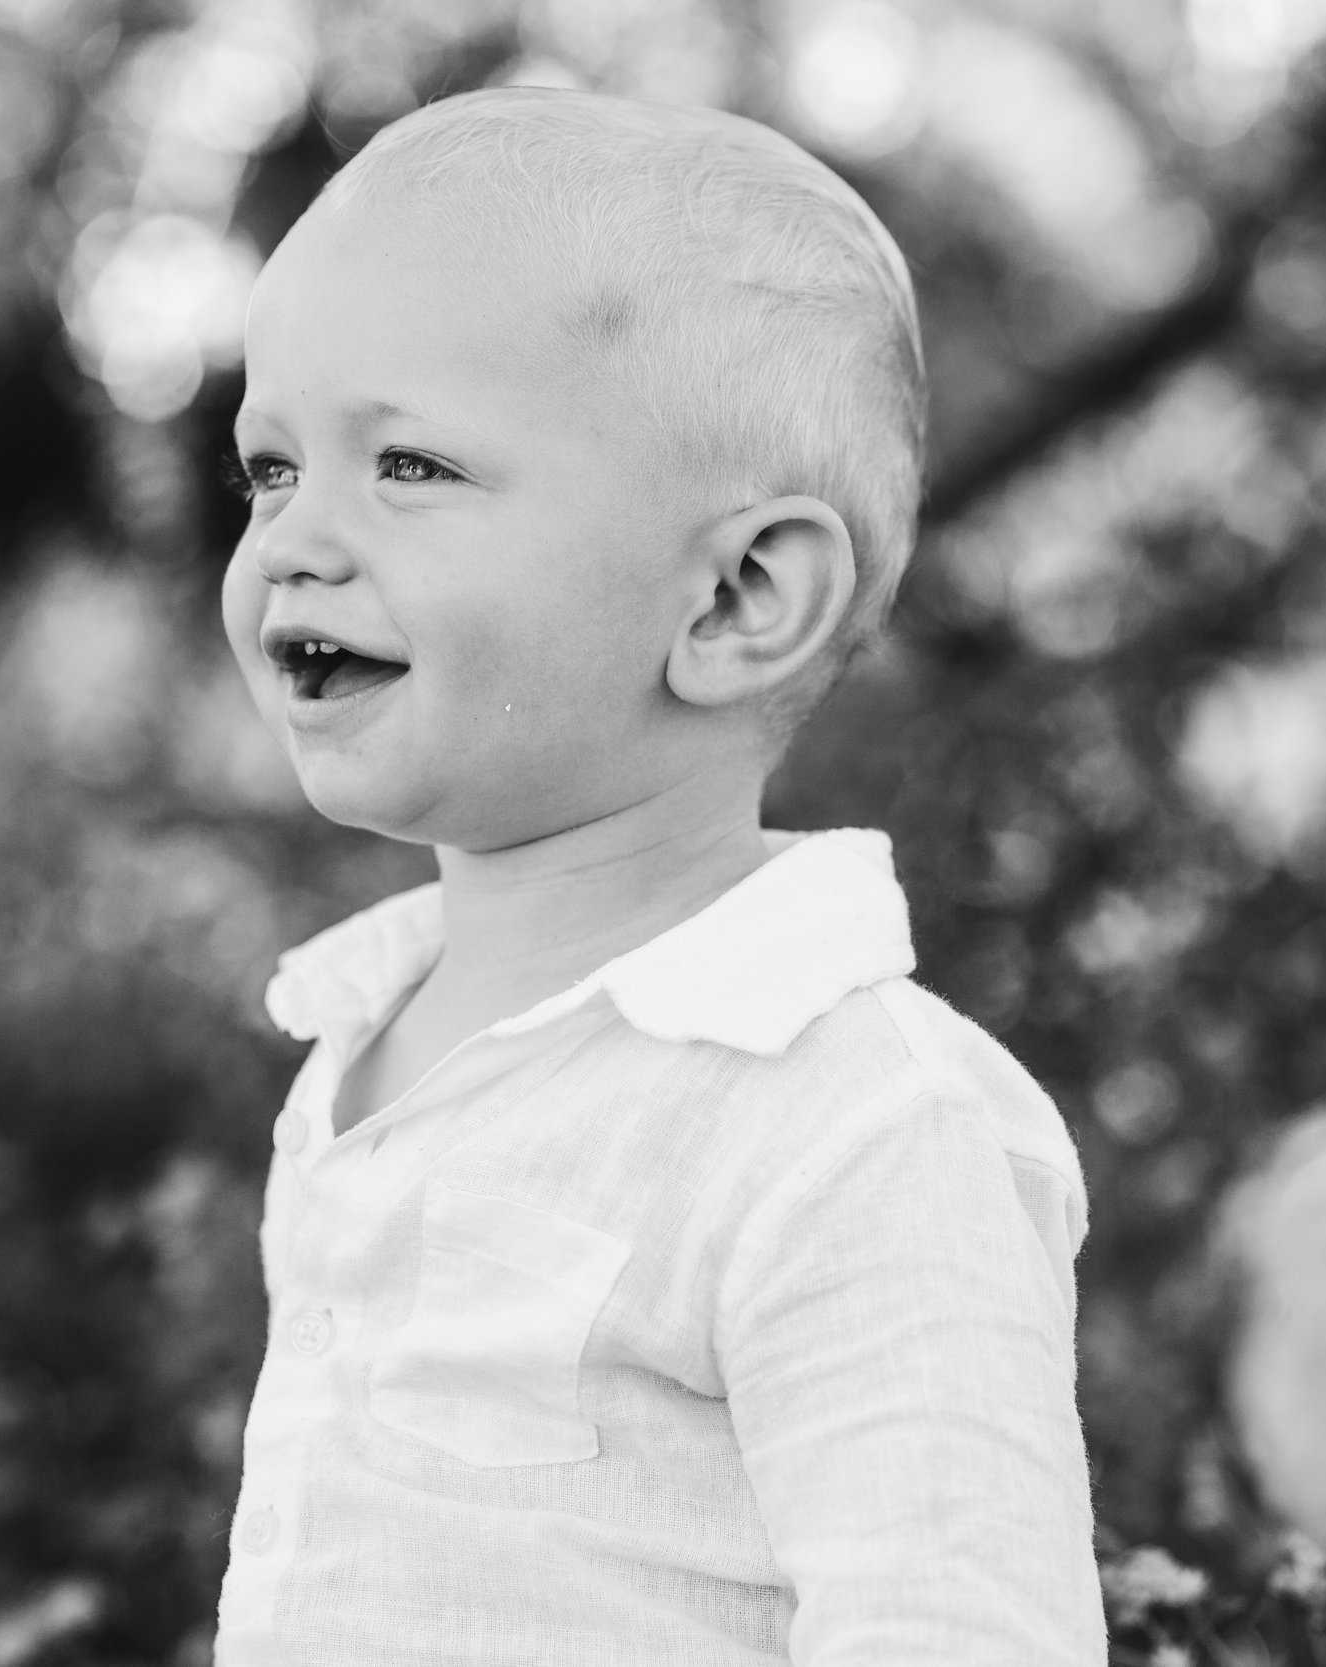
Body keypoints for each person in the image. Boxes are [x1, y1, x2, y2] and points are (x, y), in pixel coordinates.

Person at [210, 86, 1104, 1665]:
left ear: (742, 597)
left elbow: (959, 1628)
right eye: (271, 470)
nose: (295, 541)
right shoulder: (370, 1031)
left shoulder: (854, 1125)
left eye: (409, 465)